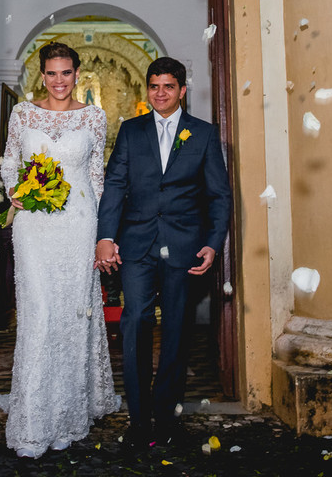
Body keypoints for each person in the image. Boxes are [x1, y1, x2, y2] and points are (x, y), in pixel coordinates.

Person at [96, 56, 231, 448]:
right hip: (136, 243)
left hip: (185, 245)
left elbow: (219, 196)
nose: (160, 93)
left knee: (176, 330)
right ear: (148, 89)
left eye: (168, 86)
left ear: (182, 90)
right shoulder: (131, 131)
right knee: (135, 321)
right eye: (154, 86)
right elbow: (115, 183)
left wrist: (212, 242)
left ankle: (166, 416)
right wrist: (106, 236)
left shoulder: (203, 134)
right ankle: (138, 421)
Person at [0, 42, 119, 457]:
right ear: (41, 75)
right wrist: (14, 190)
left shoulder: (94, 117)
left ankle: (67, 416)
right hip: (34, 224)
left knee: (71, 317)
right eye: (52, 73)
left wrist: (103, 232)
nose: (59, 81)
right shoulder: (22, 113)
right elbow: (10, 162)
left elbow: (97, 176)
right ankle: (33, 422)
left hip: (78, 225)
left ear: (77, 73)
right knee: (40, 315)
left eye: (66, 72)